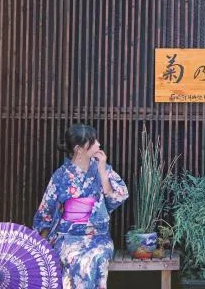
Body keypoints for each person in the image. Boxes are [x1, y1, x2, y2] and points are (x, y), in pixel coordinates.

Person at [33, 124, 129, 289]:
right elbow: (45, 212)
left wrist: (102, 173)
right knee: (72, 257)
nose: (99, 144)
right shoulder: (61, 176)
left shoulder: (103, 169)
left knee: (96, 257)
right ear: (79, 149)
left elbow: (118, 197)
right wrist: (39, 243)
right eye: (93, 142)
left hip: (98, 237)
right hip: (67, 237)